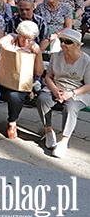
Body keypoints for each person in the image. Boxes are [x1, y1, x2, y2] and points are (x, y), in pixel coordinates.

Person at [0, 21, 44, 141]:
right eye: (23, 37)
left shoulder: (34, 47)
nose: (26, 41)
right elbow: (1, 42)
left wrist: (39, 55)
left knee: (16, 95)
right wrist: (14, 49)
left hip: (19, 81)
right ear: (19, 34)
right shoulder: (12, 38)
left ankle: (12, 123)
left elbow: (39, 72)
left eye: (29, 39)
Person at [37, 29, 89, 158]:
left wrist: (70, 93)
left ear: (77, 44)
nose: (63, 44)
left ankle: (63, 141)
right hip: (56, 86)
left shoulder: (86, 60)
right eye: (62, 41)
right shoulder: (56, 56)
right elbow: (48, 77)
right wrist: (55, 90)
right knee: (42, 99)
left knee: (71, 108)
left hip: (77, 90)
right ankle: (48, 131)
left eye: (68, 42)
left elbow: (88, 85)